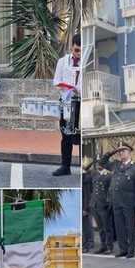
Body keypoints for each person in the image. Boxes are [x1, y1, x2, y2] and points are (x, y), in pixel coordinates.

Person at [98, 142, 135, 259]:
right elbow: (101, 162)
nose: (120, 153)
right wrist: (111, 153)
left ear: (129, 152)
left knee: (129, 227)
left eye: (123, 150)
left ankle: (130, 250)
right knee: (119, 227)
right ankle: (123, 249)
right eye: (119, 151)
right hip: (116, 200)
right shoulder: (116, 164)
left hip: (129, 201)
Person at [52, 33, 81, 176]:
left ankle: (84, 168)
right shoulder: (63, 61)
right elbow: (56, 80)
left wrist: (77, 89)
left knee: (81, 134)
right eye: (76, 50)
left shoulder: (86, 62)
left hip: (81, 102)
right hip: (66, 100)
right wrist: (66, 86)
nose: (79, 53)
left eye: (81, 50)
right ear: (71, 47)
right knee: (65, 134)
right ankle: (65, 166)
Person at [89, 162, 114, 254]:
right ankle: (103, 245)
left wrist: (109, 203)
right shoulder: (94, 174)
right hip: (95, 204)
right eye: (97, 163)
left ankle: (109, 246)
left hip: (104, 204)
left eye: (100, 163)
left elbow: (111, 191)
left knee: (107, 227)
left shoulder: (109, 175)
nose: (98, 165)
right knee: (100, 227)